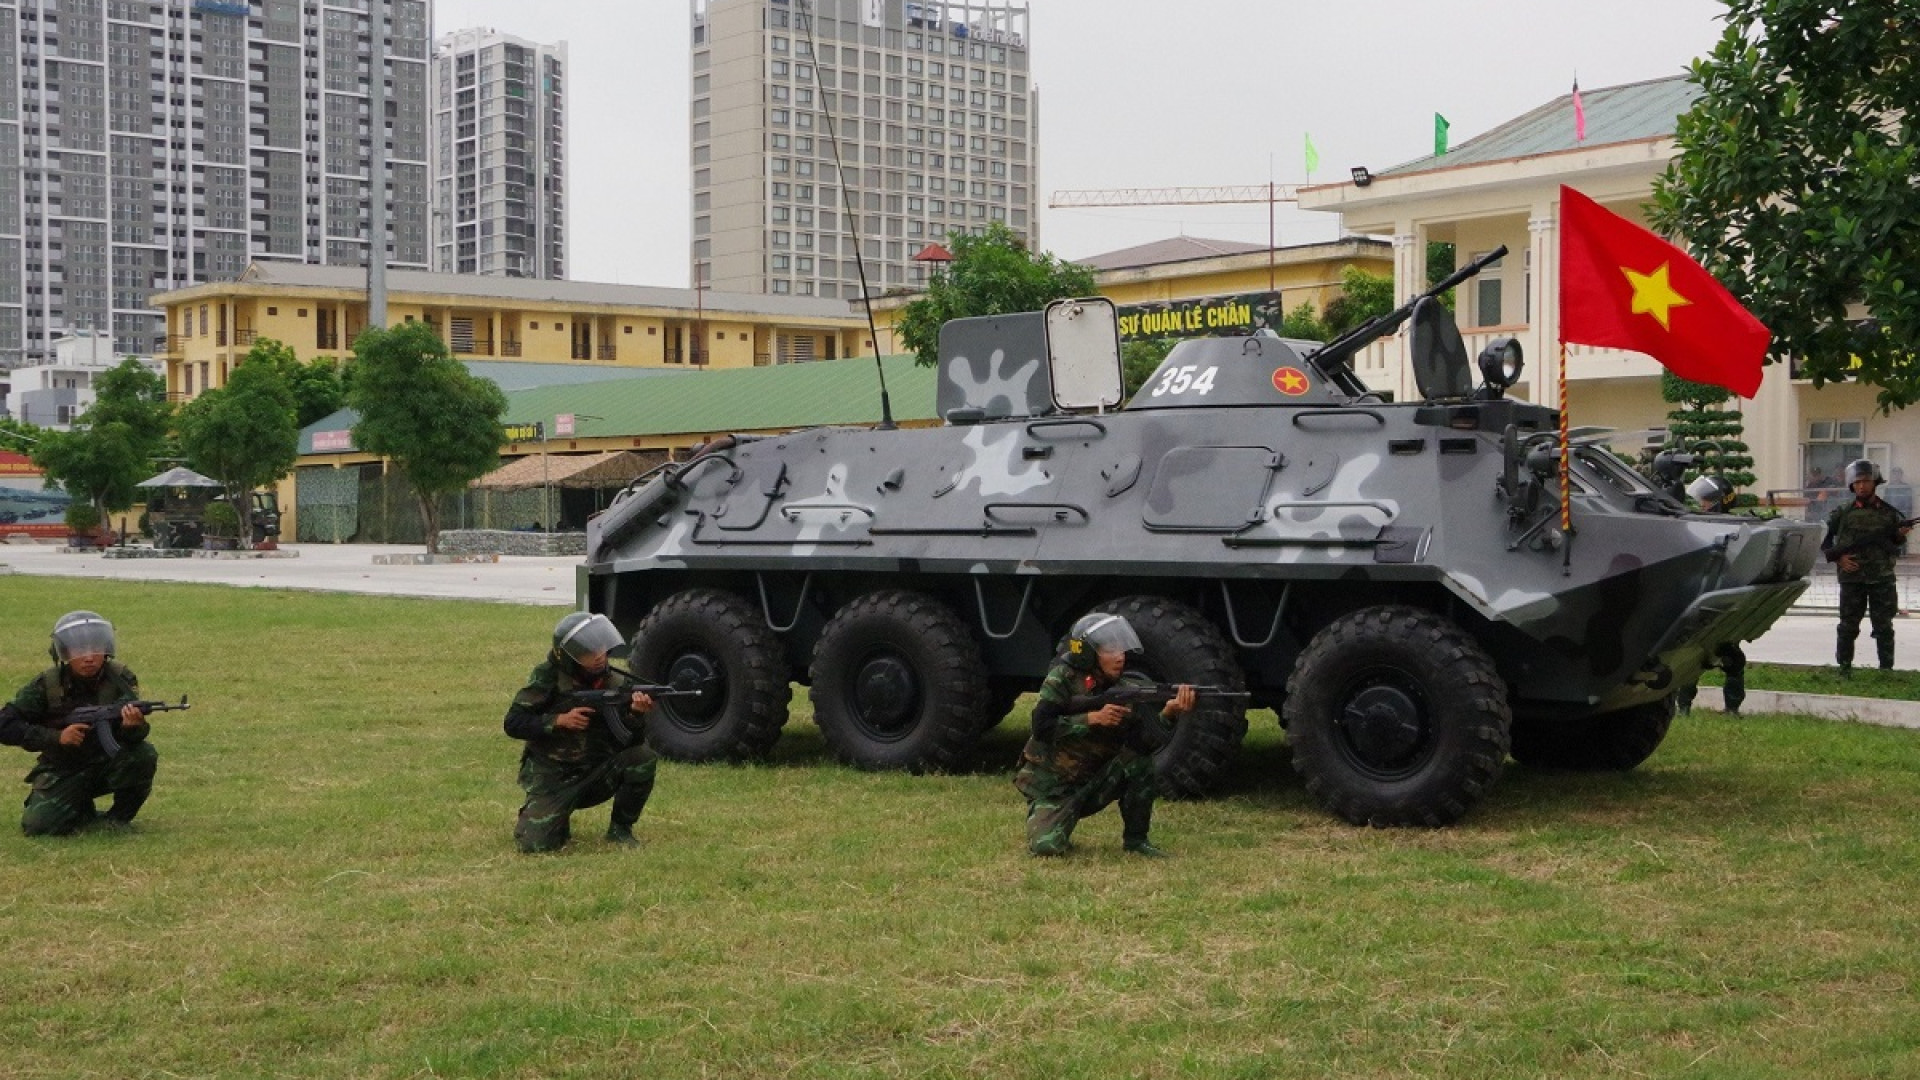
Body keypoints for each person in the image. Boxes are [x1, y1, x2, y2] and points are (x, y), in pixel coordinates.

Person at [1014, 613, 1195, 858]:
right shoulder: (1062, 680)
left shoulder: (1125, 690)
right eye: (1110, 650)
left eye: (1121, 649)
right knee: (1047, 848)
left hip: (1094, 782)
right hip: (1055, 789)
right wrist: (1092, 718)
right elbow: (1042, 727)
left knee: (1139, 763)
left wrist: (1169, 714)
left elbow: (1142, 745)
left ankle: (1136, 841)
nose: (1120, 656)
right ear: (1088, 653)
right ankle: (1051, 818)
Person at [504, 612, 659, 852]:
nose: (599, 657)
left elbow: (631, 740)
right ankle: (548, 813)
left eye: (601, 648)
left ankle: (621, 830)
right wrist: (557, 721)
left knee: (642, 757)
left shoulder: (616, 683)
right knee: (536, 846)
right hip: (553, 777)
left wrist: (636, 714)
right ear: (568, 656)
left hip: (595, 771)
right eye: (589, 652)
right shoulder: (547, 678)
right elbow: (513, 722)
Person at [0, 611, 159, 835]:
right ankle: (80, 809)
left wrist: (132, 726)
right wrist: (56, 737)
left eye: (95, 649)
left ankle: (118, 819)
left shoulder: (119, 678)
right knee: (38, 827)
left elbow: (133, 738)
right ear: (62, 652)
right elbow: (5, 724)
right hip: (63, 768)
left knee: (143, 754)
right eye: (79, 650)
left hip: (106, 762)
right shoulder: (47, 684)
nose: (89, 657)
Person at [1822, 459, 1912, 676]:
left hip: (1882, 578)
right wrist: (1839, 559)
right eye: (1857, 482)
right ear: (1852, 485)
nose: (1861, 486)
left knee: (1884, 627)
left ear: (1875, 483)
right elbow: (1824, 542)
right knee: (1847, 627)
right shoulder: (1842, 513)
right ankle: (1844, 669)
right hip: (1852, 578)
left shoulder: (1889, 513)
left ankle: (1886, 670)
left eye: (1866, 481)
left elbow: (1896, 545)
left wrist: (1900, 537)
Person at [1675, 476, 1749, 715]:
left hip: (1725, 599)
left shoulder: (1738, 529)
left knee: (1733, 658)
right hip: (1702, 597)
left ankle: (1732, 707)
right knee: (1690, 659)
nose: (1702, 505)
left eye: (1707, 501)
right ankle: (1683, 706)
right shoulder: (1699, 525)